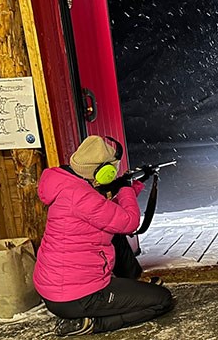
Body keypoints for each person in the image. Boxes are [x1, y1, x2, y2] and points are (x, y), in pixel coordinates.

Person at [33, 135, 173, 336]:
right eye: (112, 171)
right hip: (78, 296)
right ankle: (91, 324)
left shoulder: (69, 185)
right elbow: (128, 222)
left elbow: (107, 214)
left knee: (115, 236)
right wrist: (124, 187)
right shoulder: (81, 196)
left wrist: (134, 185)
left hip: (56, 290)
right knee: (162, 300)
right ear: (103, 172)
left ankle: (131, 285)